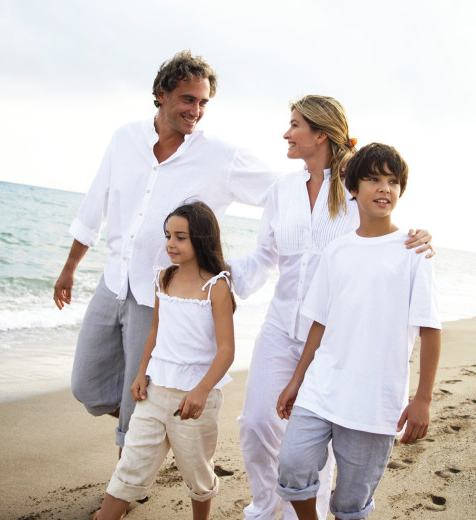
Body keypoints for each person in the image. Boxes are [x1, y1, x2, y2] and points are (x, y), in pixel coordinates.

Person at [53, 50, 276, 451]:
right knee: (87, 385)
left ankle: (125, 489)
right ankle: (156, 428)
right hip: (114, 282)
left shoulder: (220, 156)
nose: (197, 110)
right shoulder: (125, 138)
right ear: (162, 94)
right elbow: (95, 204)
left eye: (204, 102)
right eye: (188, 99)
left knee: (135, 397)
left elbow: (281, 192)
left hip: (162, 297)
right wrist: (70, 267)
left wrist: (343, 180)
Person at [228, 96, 434, 520]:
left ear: (320, 133)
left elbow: (379, 232)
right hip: (281, 323)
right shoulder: (282, 189)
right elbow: (265, 255)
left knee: (323, 436)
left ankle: (302, 514)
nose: (287, 133)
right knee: (256, 423)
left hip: (333, 337)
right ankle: (266, 506)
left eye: (294, 125)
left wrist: (421, 237)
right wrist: (215, 274)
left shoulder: (353, 184)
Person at [274, 143, 442, 520]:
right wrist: (297, 380)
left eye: (393, 181)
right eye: (373, 179)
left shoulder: (413, 251)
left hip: (375, 399)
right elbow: (320, 321)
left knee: (351, 504)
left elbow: (431, 329)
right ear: (352, 187)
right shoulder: (337, 250)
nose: (384, 188)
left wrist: (423, 399)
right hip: (322, 387)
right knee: (292, 466)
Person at [93, 201, 236, 520]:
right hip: (154, 393)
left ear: (200, 239)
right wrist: (141, 373)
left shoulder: (217, 286)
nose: (171, 243)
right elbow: (155, 331)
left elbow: (227, 350)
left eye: (180, 237)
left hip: (195, 399)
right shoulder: (163, 278)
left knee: (197, 473)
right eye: (168, 235)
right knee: (130, 464)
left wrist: (200, 391)